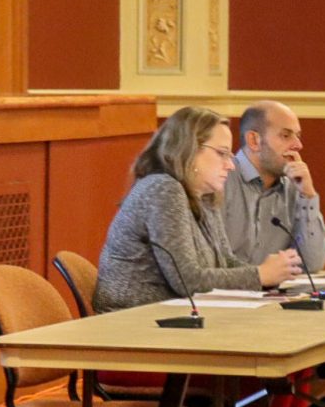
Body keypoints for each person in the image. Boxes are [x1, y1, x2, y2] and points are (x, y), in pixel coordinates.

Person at [93, 106, 301, 314]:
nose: (230, 165)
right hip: (131, 321)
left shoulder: (205, 194)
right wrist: (260, 275)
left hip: (173, 316)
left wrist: (268, 278)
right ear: (189, 149)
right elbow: (188, 280)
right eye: (222, 153)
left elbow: (225, 261)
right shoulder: (163, 189)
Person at [222, 100, 325, 273]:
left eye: (298, 136)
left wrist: (307, 195)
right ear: (254, 140)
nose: (298, 145)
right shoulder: (220, 179)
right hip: (220, 296)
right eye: (286, 135)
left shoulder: (294, 187)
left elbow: (312, 264)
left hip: (270, 296)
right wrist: (259, 276)